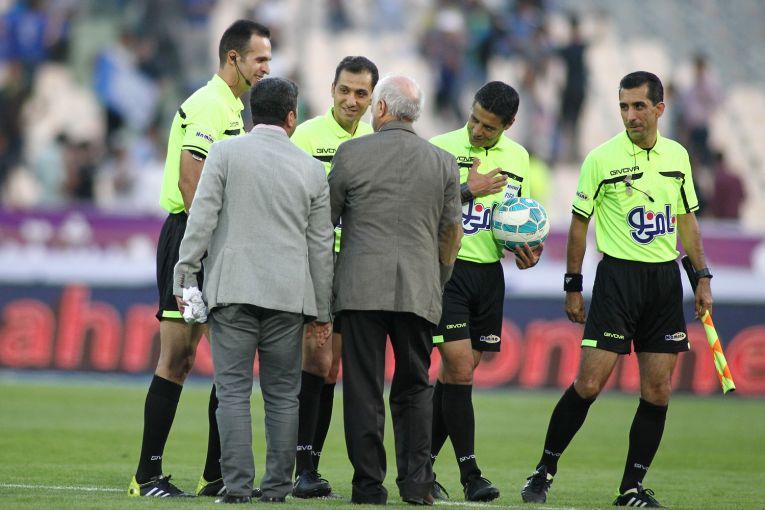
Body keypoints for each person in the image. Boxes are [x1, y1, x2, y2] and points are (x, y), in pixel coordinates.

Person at [520, 71, 714, 508]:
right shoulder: (601, 159)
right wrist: (573, 286)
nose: (630, 115)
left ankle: (630, 488)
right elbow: (579, 224)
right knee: (589, 383)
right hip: (617, 280)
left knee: (658, 391)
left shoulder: (678, 156)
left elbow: (686, 219)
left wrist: (702, 276)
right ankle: (544, 471)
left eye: (639, 106)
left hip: (664, 282)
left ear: (659, 108)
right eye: (624, 106)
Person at [173, 77, 335, 504]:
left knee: (232, 393)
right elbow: (321, 247)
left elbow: (201, 219)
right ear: (291, 117)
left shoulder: (225, 153)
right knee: (283, 397)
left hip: (233, 289)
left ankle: (237, 487)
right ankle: (278, 487)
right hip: (288, 296)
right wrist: (323, 311)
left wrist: (185, 274)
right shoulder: (311, 169)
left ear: (250, 114)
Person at [128, 20, 272, 498]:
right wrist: (203, 249)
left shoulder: (231, 107)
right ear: (234, 58)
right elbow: (191, 182)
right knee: (177, 357)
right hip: (191, 239)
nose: (266, 68)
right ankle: (146, 475)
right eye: (260, 59)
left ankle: (215, 475)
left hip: (211, 240)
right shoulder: (209, 104)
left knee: (228, 359)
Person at [329, 75, 463, 506]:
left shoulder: (351, 153)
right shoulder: (443, 162)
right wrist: (437, 278)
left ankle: (369, 486)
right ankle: (417, 485)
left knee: (364, 390)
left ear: (382, 108)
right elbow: (452, 233)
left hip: (360, 290)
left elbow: (326, 219)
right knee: (415, 388)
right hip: (419, 290)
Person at [428, 81, 542, 503]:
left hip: (490, 276)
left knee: (456, 375)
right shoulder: (440, 148)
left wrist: (527, 249)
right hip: (447, 270)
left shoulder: (519, 158)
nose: (477, 130)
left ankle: (420, 466)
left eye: (488, 126)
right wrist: (467, 190)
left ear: (508, 125)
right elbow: (420, 209)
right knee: (460, 369)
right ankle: (471, 475)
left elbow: (518, 217)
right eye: (474, 119)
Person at [289, 55, 379, 499]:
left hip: (357, 265)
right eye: (345, 90)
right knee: (316, 360)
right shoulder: (306, 136)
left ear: (373, 99)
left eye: (361, 93)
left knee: (332, 368)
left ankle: (310, 465)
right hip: (314, 262)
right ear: (332, 90)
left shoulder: (375, 141)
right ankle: (301, 466)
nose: (351, 100)